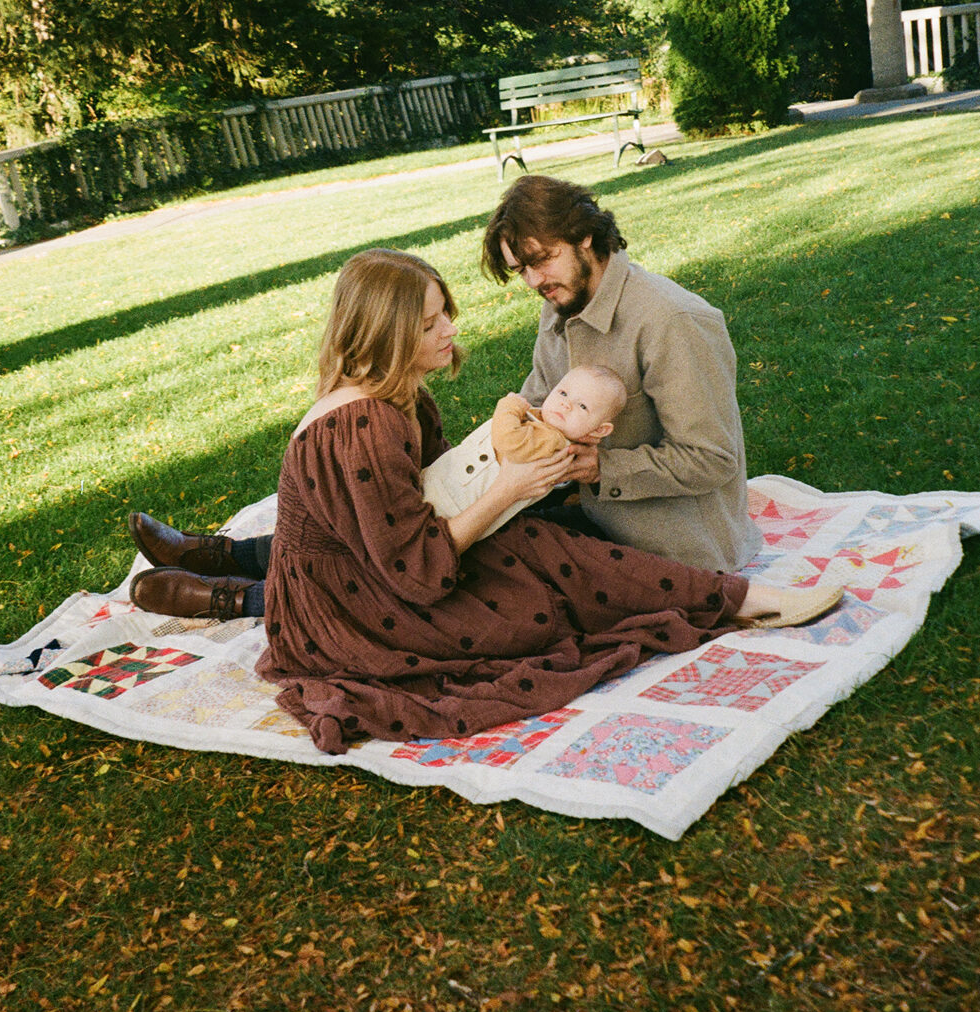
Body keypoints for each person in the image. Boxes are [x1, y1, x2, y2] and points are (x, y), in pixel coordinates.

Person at [129, 248, 840, 755]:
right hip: (346, 608)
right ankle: (732, 597)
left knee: (541, 543)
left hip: (351, 572)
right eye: (432, 322)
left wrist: (521, 481)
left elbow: (425, 504)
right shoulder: (363, 424)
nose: (450, 331)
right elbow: (413, 574)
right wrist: (507, 489)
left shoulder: (397, 395)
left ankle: (730, 596)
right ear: (386, 331)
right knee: (534, 598)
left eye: (447, 314)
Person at [481, 175, 762, 574]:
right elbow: (538, 404)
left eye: (542, 259)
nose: (533, 281)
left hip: (674, 542)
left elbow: (712, 458)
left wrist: (600, 468)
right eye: (521, 269)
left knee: (504, 578)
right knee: (478, 558)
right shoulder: (560, 302)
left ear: (585, 237)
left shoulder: (671, 319)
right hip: (596, 519)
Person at [421, 363, 627, 541]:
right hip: (444, 489)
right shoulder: (546, 427)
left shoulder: (554, 442)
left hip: (449, 505)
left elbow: (510, 441)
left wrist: (508, 406)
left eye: (582, 406)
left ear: (600, 430)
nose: (566, 404)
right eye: (563, 393)